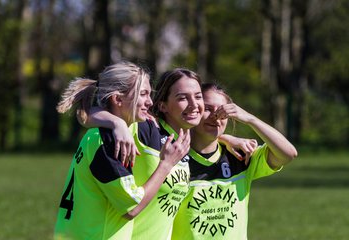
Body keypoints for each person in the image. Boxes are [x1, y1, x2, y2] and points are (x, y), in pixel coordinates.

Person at [83, 68, 257, 240]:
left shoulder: (184, 143)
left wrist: (225, 138)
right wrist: (117, 123)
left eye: (198, 96)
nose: (194, 104)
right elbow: (86, 113)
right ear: (162, 105)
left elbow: (205, 137)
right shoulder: (147, 130)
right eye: (182, 97)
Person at [53, 61, 191, 240]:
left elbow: (88, 114)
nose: (150, 102)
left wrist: (117, 123)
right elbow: (131, 207)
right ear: (118, 99)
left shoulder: (107, 131)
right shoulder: (108, 141)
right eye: (143, 94)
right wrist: (166, 165)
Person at [171, 83, 298, 240]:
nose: (215, 116)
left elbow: (288, 153)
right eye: (208, 108)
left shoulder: (239, 156)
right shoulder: (174, 156)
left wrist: (250, 119)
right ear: (195, 110)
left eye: (223, 112)